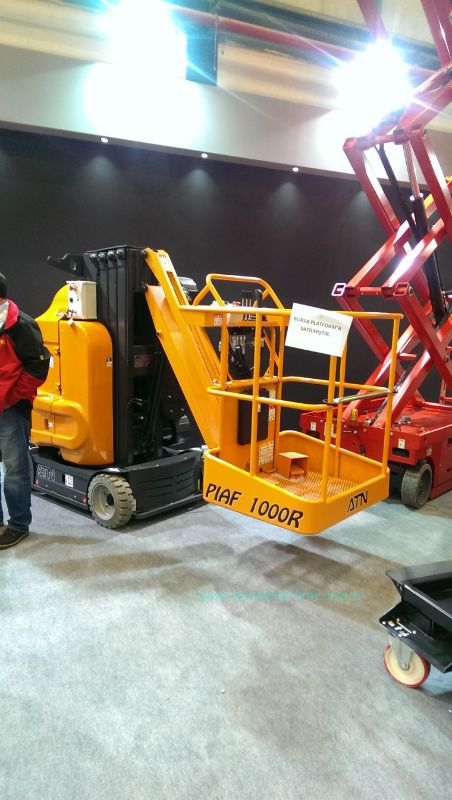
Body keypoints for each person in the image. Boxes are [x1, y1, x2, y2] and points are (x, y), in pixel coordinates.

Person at [0, 272, 50, 549]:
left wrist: (12, 397)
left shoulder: (21, 325)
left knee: (15, 468)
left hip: (10, 410)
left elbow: (38, 367)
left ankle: (18, 525)